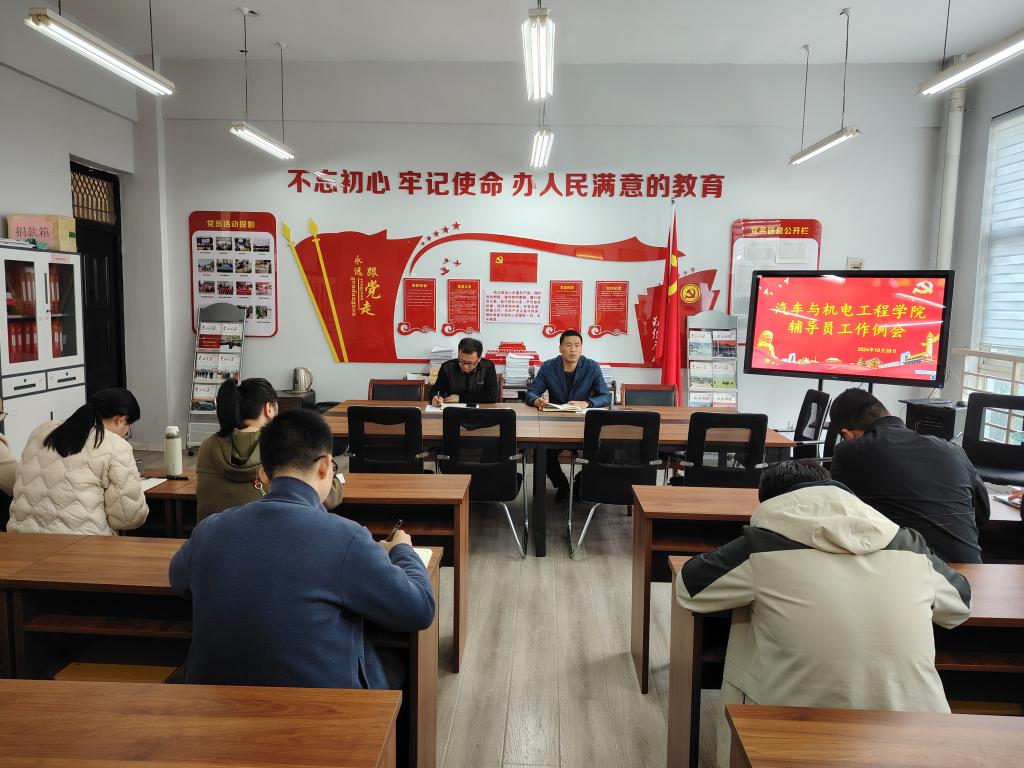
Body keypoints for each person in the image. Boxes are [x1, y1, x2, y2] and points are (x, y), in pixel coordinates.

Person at [676, 460, 971, 768]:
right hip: (916, 727)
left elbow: (689, 588)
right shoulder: (910, 545)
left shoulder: (762, 546)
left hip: (798, 730)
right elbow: (960, 604)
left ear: (770, 503)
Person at [169, 409, 435, 689]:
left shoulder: (209, 529)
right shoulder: (347, 537)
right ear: (325, 465)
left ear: (263, 476)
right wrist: (402, 551)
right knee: (395, 658)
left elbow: (179, 580)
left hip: (213, 699)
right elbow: (419, 609)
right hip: (319, 707)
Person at [828, 388, 990, 563]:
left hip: (908, 572)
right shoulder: (954, 451)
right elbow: (983, 514)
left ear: (847, 435)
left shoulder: (848, 452)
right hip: (969, 572)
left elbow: (838, 517)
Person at [196, 377, 343, 521]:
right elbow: (329, 496)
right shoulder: (283, 442)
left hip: (212, 534)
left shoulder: (207, 446)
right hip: (276, 532)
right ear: (269, 409)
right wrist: (336, 476)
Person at [8, 388, 149, 535]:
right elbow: (127, 519)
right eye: (128, 427)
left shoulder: (42, 431)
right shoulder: (115, 445)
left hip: (21, 536)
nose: (126, 433)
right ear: (121, 420)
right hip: (83, 541)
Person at [526, 329, 611, 500]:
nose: (573, 349)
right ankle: (562, 485)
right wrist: (537, 401)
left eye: (577, 345)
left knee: (601, 453)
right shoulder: (548, 366)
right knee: (543, 454)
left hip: (584, 424)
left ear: (581, 348)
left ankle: (579, 485)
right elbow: (531, 392)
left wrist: (587, 403)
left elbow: (605, 396)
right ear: (560, 348)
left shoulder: (592, 367)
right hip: (556, 424)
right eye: (569, 345)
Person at [429, 337, 499, 405]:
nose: (465, 366)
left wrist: (461, 398)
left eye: (469, 363)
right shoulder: (447, 367)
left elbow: (492, 396)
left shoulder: (487, 366)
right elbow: (436, 390)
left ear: (479, 358)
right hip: (453, 408)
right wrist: (434, 397)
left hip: (480, 409)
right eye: (461, 361)